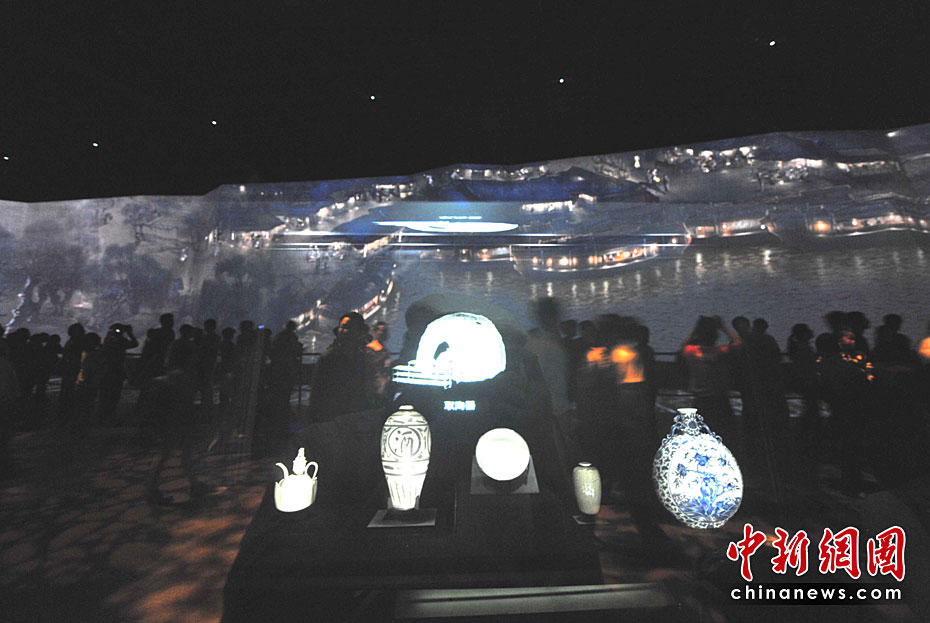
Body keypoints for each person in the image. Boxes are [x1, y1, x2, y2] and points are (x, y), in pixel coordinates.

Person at [681, 315, 741, 433]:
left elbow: (683, 346)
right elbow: (738, 343)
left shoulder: (691, 351)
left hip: (701, 399)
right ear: (715, 336)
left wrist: (695, 330)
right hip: (720, 398)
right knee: (724, 433)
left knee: (700, 433)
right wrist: (723, 327)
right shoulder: (721, 352)